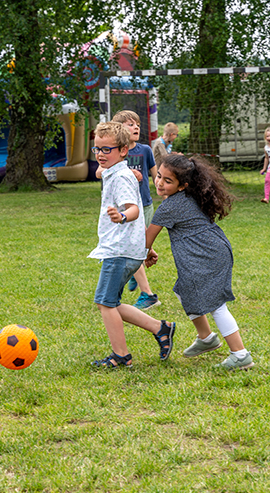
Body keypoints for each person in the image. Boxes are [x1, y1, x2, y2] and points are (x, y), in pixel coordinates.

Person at [145, 154, 254, 371]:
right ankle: (206, 338)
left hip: (206, 256)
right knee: (185, 290)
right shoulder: (190, 196)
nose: (159, 182)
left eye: (168, 181)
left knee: (216, 305)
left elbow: (146, 240)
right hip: (214, 251)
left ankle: (240, 355)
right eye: (159, 176)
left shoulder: (169, 207)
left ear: (182, 186)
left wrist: (145, 253)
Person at [89, 121, 176, 369]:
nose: (100, 155)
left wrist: (123, 216)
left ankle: (121, 356)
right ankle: (161, 328)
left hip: (120, 250)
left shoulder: (122, 178)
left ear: (124, 150)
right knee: (109, 302)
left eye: (107, 149)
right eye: (97, 149)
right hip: (124, 249)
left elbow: (135, 208)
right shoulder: (115, 172)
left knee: (105, 304)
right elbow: (100, 170)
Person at [111, 110, 160, 310]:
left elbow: (157, 175)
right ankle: (136, 274)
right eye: (130, 124)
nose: (136, 127)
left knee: (134, 248)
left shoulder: (145, 150)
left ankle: (147, 294)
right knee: (134, 247)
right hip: (125, 208)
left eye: (137, 124)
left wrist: (165, 191)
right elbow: (100, 171)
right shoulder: (116, 152)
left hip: (144, 206)